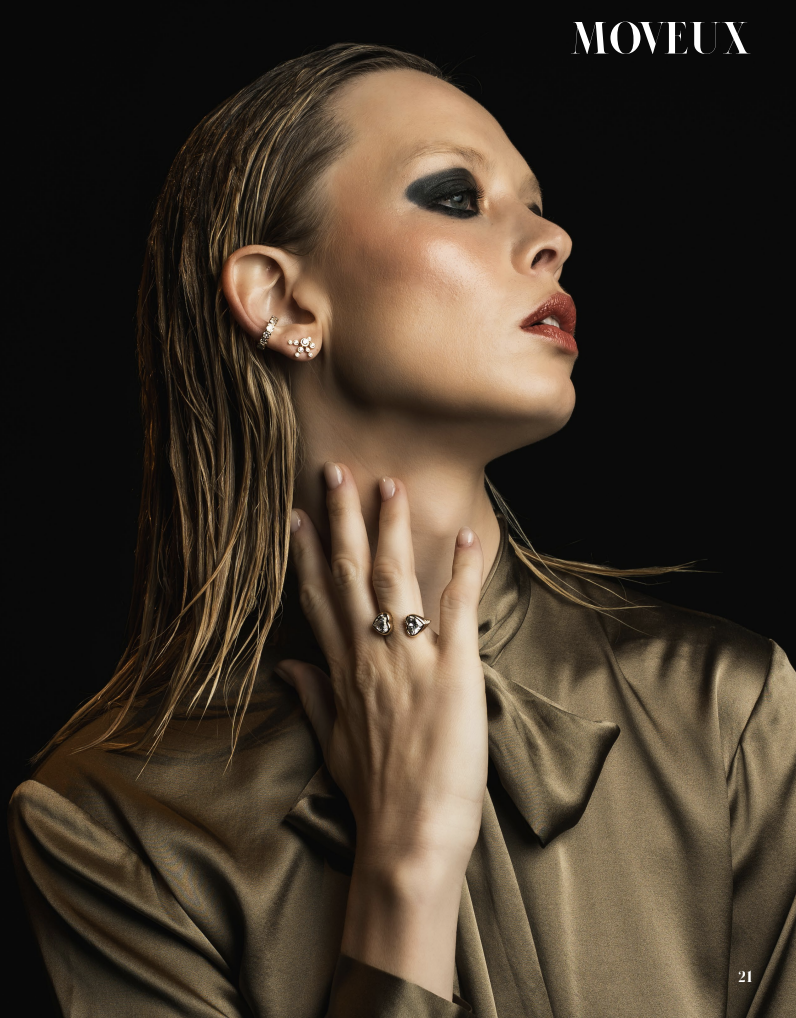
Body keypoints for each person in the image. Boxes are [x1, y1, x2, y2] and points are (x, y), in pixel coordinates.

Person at [8, 42, 794, 1018]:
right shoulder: (113, 825)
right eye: (458, 196)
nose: (553, 237)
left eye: (536, 202)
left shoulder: (725, 705)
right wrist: (404, 870)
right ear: (282, 299)